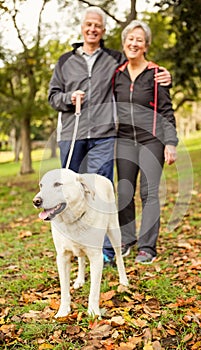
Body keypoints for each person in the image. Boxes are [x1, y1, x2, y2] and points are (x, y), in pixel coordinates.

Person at [48, 7, 172, 265]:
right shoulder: (65, 61)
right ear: (82, 27)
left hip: (107, 135)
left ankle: (108, 249)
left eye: (98, 26)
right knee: (69, 192)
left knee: (102, 192)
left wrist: (167, 75)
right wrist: (68, 98)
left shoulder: (114, 59)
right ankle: (72, 245)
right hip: (75, 135)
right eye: (89, 24)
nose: (93, 29)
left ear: (103, 32)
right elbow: (52, 96)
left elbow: (143, 69)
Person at [112, 20, 178, 264]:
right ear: (124, 42)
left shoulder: (156, 74)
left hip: (152, 140)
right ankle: (127, 240)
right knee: (124, 192)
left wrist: (170, 143)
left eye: (139, 40)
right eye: (130, 38)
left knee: (148, 193)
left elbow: (166, 110)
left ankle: (147, 247)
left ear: (146, 45)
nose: (134, 43)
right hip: (125, 140)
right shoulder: (116, 75)